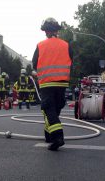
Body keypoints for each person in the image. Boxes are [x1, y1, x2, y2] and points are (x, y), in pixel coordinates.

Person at [32, 17, 73, 151]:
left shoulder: (41, 45)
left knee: (49, 109)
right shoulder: (66, 45)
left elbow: (34, 63)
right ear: (57, 31)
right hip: (62, 83)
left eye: (45, 31)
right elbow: (71, 61)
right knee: (55, 109)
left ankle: (58, 137)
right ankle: (49, 135)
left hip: (47, 84)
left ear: (47, 31)